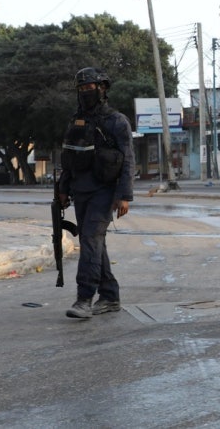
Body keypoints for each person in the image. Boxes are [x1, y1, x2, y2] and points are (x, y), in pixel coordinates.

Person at [58, 67, 135, 319]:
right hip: (80, 190)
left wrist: (124, 195)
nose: (85, 92)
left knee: (91, 239)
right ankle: (110, 296)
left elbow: (128, 160)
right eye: (81, 88)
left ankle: (84, 299)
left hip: (105, 190)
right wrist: (62, 189)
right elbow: (68, 157)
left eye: (89, 87)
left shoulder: (117, 121)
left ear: (102, 88)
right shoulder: (76, 120)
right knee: (93, 243)